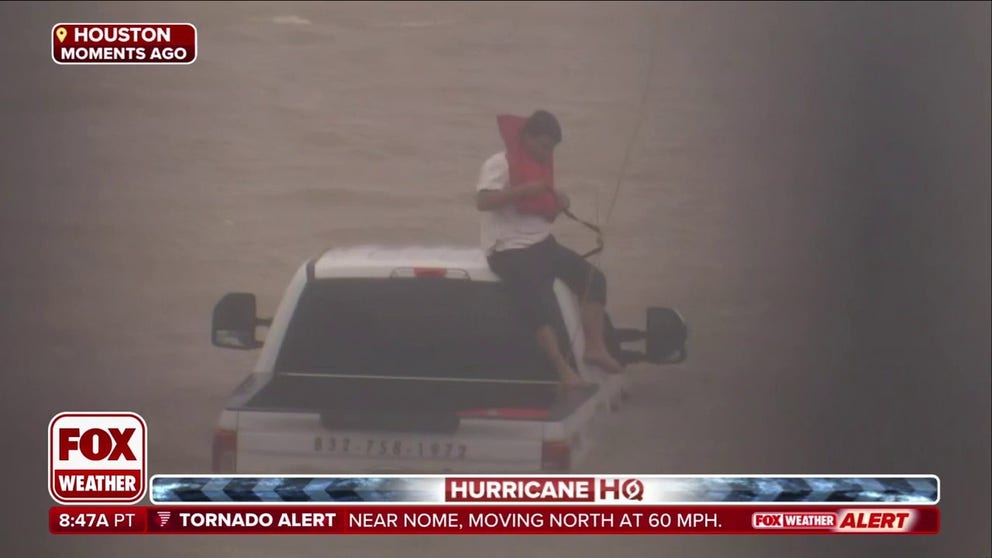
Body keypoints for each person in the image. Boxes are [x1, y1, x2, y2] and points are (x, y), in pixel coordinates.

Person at [475, 110, 624, 386]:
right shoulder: (499, 163)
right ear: (527, 138)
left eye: (552, 148)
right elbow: (482, 202)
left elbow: (543, 209)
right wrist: (521, 191)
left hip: (541, 243)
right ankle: (561, 368)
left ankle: (594, 348)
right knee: (536, 303)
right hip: (507, 249)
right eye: (544, 145)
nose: (547, 152)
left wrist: (559, 201)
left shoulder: (540, 165)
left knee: (594, 279)